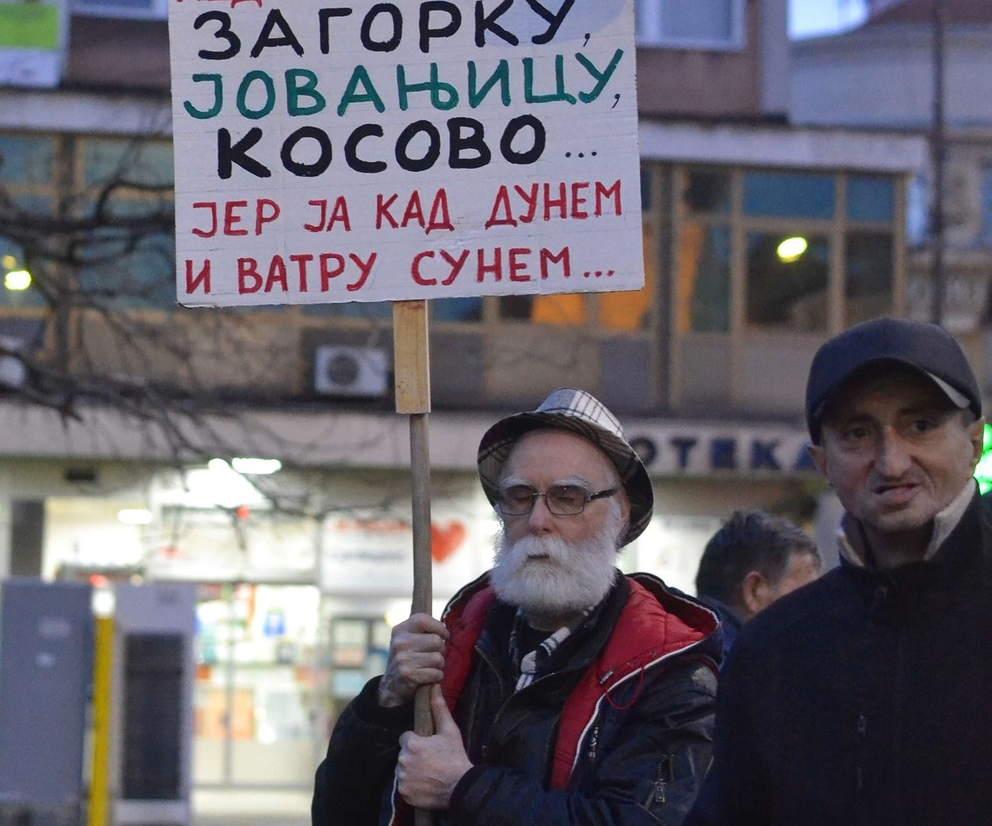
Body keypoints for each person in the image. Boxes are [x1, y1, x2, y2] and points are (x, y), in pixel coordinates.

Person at [313, 388, 722, 826]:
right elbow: (339, 813)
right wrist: (385, 703)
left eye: (568, 497)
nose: (538, 520)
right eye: (519, 496)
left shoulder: (669, 668)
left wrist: (464, 787)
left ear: (619, 512)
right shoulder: (454, 642)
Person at [688, 316, 992, 826]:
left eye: (920, 425)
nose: (892, 462)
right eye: (858, 433)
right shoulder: (774, 651)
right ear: (822, 461)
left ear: (974, 440)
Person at [693, 511, 820, 655]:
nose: (814, 615)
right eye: (804, 599)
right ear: (754, 591)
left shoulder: (679, 650)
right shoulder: (744, 669)